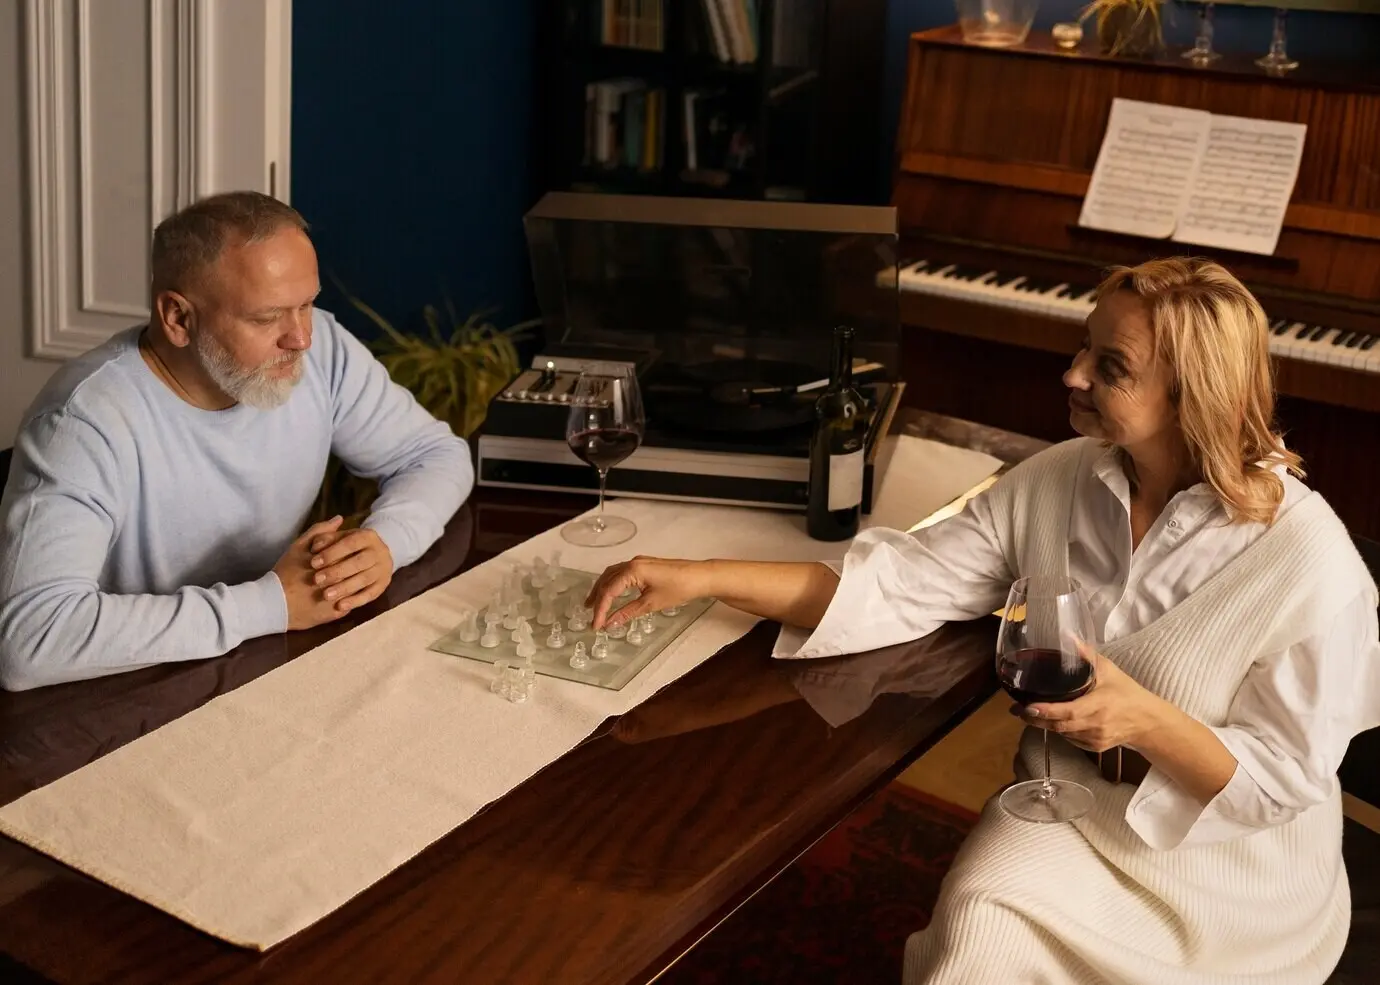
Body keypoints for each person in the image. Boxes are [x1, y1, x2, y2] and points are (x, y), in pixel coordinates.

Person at [584, 258, 1380, 984]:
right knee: (978, 924)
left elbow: (1282, 779)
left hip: (1231, 873)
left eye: (1110, 367)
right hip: (1065, 803)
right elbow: (899, 582)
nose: (1070, 374)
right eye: (1083, 347)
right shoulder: (1058, 478)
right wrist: (698, 576)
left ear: (1191, 395)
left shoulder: (1309, 561)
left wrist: (1144, 719)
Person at [0, 191, 473, 691]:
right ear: (178, 318)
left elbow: (436, 455)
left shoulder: (321, 350)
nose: (301, 338)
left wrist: (385, 543)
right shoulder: (81, 422)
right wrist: (271, 604)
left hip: (259, 664)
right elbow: (32, 640)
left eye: (307, 305)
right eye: (267, 318)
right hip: (124, 697)